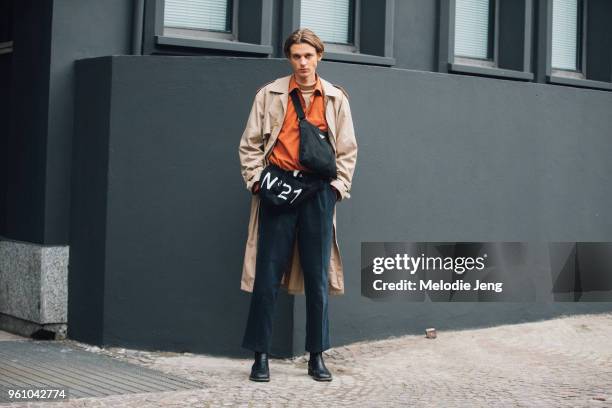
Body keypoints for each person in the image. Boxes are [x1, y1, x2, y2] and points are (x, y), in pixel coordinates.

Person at [238, 28, 358, 382]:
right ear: (289, 58)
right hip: (278, 187)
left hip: (319, 192)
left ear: (319, 56)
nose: (302, 62)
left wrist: (336, 188)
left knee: (317, 277)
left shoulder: (335, 98)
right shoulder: (270, 94)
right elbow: (249, 145)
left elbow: (348, 150)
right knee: (267, 274)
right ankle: (260, 356)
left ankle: (317, 357)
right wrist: (258, 181)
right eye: (296, 56)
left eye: (308, 55)